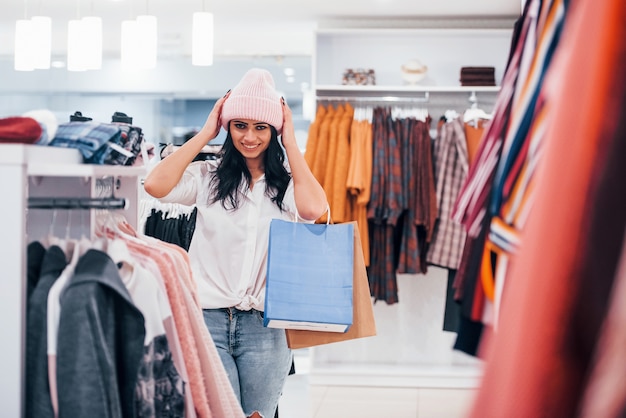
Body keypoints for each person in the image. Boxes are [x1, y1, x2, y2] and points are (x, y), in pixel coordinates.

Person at [143, 68, 328, 418]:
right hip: (208, 317)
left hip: (265, 325)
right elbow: (154, 185)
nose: (249, 137)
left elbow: (315, 210)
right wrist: (206, 132)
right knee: (216, 413)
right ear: (228, 128)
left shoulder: (286, 186)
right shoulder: (208, 178)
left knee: (258, 415)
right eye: (240, 125)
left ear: (274, 131)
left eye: (261, 127)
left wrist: (291, 142)